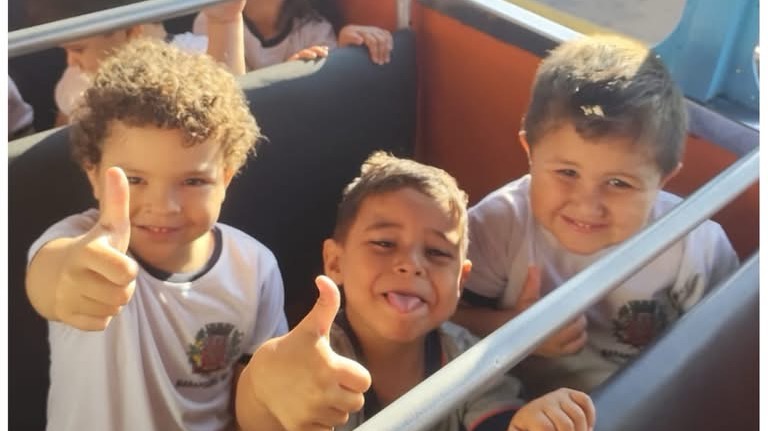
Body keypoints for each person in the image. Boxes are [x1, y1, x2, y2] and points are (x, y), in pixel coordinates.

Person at [25, 38, 369, 431]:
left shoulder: (254, 268)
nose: (164, 206)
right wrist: (73, 279)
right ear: (94, 176)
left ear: (226, 179)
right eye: (135, 179)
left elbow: (249, 397)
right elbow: (51, 278)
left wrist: (273, 392)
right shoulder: (79, 241)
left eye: (192, 181)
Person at [452, 35, 740, 397]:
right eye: (567, 173)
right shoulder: (500, 223)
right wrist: (514, 331)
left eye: (619, 183)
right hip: (520, 404)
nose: (587, 206)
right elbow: (443, 322)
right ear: (530, 152)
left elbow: (724, 344)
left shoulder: (693, 242)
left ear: (663, 179)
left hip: (648, 401)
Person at [319, 151, 596, 430]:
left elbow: (498, 418)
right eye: (384, 243)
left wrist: (529, 423)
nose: (412, 265)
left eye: (436, 252)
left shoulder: (468, 357)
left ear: (461, 281)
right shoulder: (312, 361)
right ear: (335, 262)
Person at [25, 0, 247, 125]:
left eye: (78, 50)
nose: (71, 61)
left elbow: (230, 106)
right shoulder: (76, 82)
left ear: (132, 30)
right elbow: (61, 143)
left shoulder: (197, 55)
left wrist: (224, 23)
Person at [193, 0, 393, 70]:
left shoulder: (314, 29)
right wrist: (284, 74)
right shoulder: (212, 19)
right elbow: (225, 91)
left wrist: (345, 48)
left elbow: (327, 90)